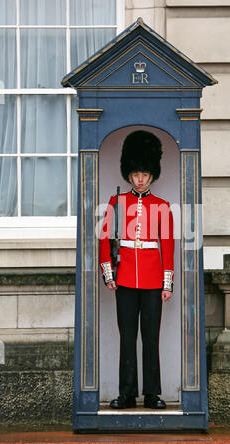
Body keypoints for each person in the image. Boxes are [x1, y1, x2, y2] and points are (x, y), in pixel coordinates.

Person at [99, 130, 174, 410]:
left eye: (145, 173)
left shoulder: (162, 206)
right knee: (127, 339)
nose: (140, 178)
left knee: (151, 339)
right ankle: (128, 393)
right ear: (129, 174)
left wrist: (167, 282)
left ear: (152, 175)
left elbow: (167, 245)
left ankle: (152, 393)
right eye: (136, 173)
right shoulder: (116, 203)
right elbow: (105, 240)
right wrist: (109, 273)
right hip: (126, 278)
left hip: (154, 279)